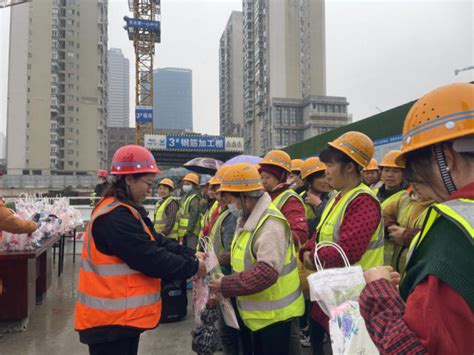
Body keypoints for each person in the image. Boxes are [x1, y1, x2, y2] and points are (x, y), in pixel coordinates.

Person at [359, 83, 474, 354]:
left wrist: (379, 293)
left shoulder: (454, 232)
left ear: (446, 158)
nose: (412, 178)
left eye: (413, 165)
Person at [75, 145, 206, 355]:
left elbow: (156, 240)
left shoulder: (124, 208)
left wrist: (190, 254)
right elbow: (150, 257)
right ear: (129, 179)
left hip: (119, 318)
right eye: (147, 183)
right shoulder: (115, 216)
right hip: (109, 322)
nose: (150, 190)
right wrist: (194, 266)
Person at [300, 131, 383, 355]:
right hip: (334, 296)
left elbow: (348, 251)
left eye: (331, 165)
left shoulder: (363, 201)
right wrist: (308, 252)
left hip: (356, 300)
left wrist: (310, 258)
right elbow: (316, 236)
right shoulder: (337, 198)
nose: (326, 171)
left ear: (350, 167)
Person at [209, 163, 304, 355]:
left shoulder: (270, 224)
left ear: (246, 197)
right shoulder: (246, 218)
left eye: (231, 199)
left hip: (276, 318)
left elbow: (265, 273)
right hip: (258, 317)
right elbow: (244, 255)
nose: (228, 204)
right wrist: (218, 260)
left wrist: (225, 285)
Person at [258, 150, 308, 354]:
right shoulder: (268, 197)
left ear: (280, 176)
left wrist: (273, 239)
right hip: (270, 268)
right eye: (261, 177)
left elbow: (300, 233)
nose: (263, 182)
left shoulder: (290, 199)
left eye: (267, 178)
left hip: (285, 273)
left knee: (289, 331)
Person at [204, 166, 240, 355]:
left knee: (229, 332)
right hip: (220, 274)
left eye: (224, 193)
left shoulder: (233, 217)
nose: (219, 196)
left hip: (225, 277)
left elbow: (230, 253)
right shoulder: (222, 212)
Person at [382, 186, 434, 272]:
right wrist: (390, 227)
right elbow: (381, 215)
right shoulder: (404, 200)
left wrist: (406, 235)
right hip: (397, 274)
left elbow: (438, 237)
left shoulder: (442, 205)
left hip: (419, 275)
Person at [376, 150, 409, 264]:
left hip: (391, 258)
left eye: (396, 171)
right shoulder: (373, 192)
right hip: (372, 256)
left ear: (404, 174)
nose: (390, 175)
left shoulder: (406, 197)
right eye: (387, 170)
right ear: (381, 173)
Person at [300, 157, 332, 236]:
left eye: (327, 175)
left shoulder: (334, 196)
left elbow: (333, 223)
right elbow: (304, 230)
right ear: (309, 180)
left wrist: (319, 205)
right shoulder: (298, 200)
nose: (326, 181)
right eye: (321, 177)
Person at [177, 172, 202, 248]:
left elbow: (194, 215)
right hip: (185, 231)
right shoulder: (186, 196)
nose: (185, 186)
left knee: (191, 251)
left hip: (191, 231)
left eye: (187, 184)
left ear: (194, 185)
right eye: (184, 183)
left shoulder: (194, 197)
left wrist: (189, 230)